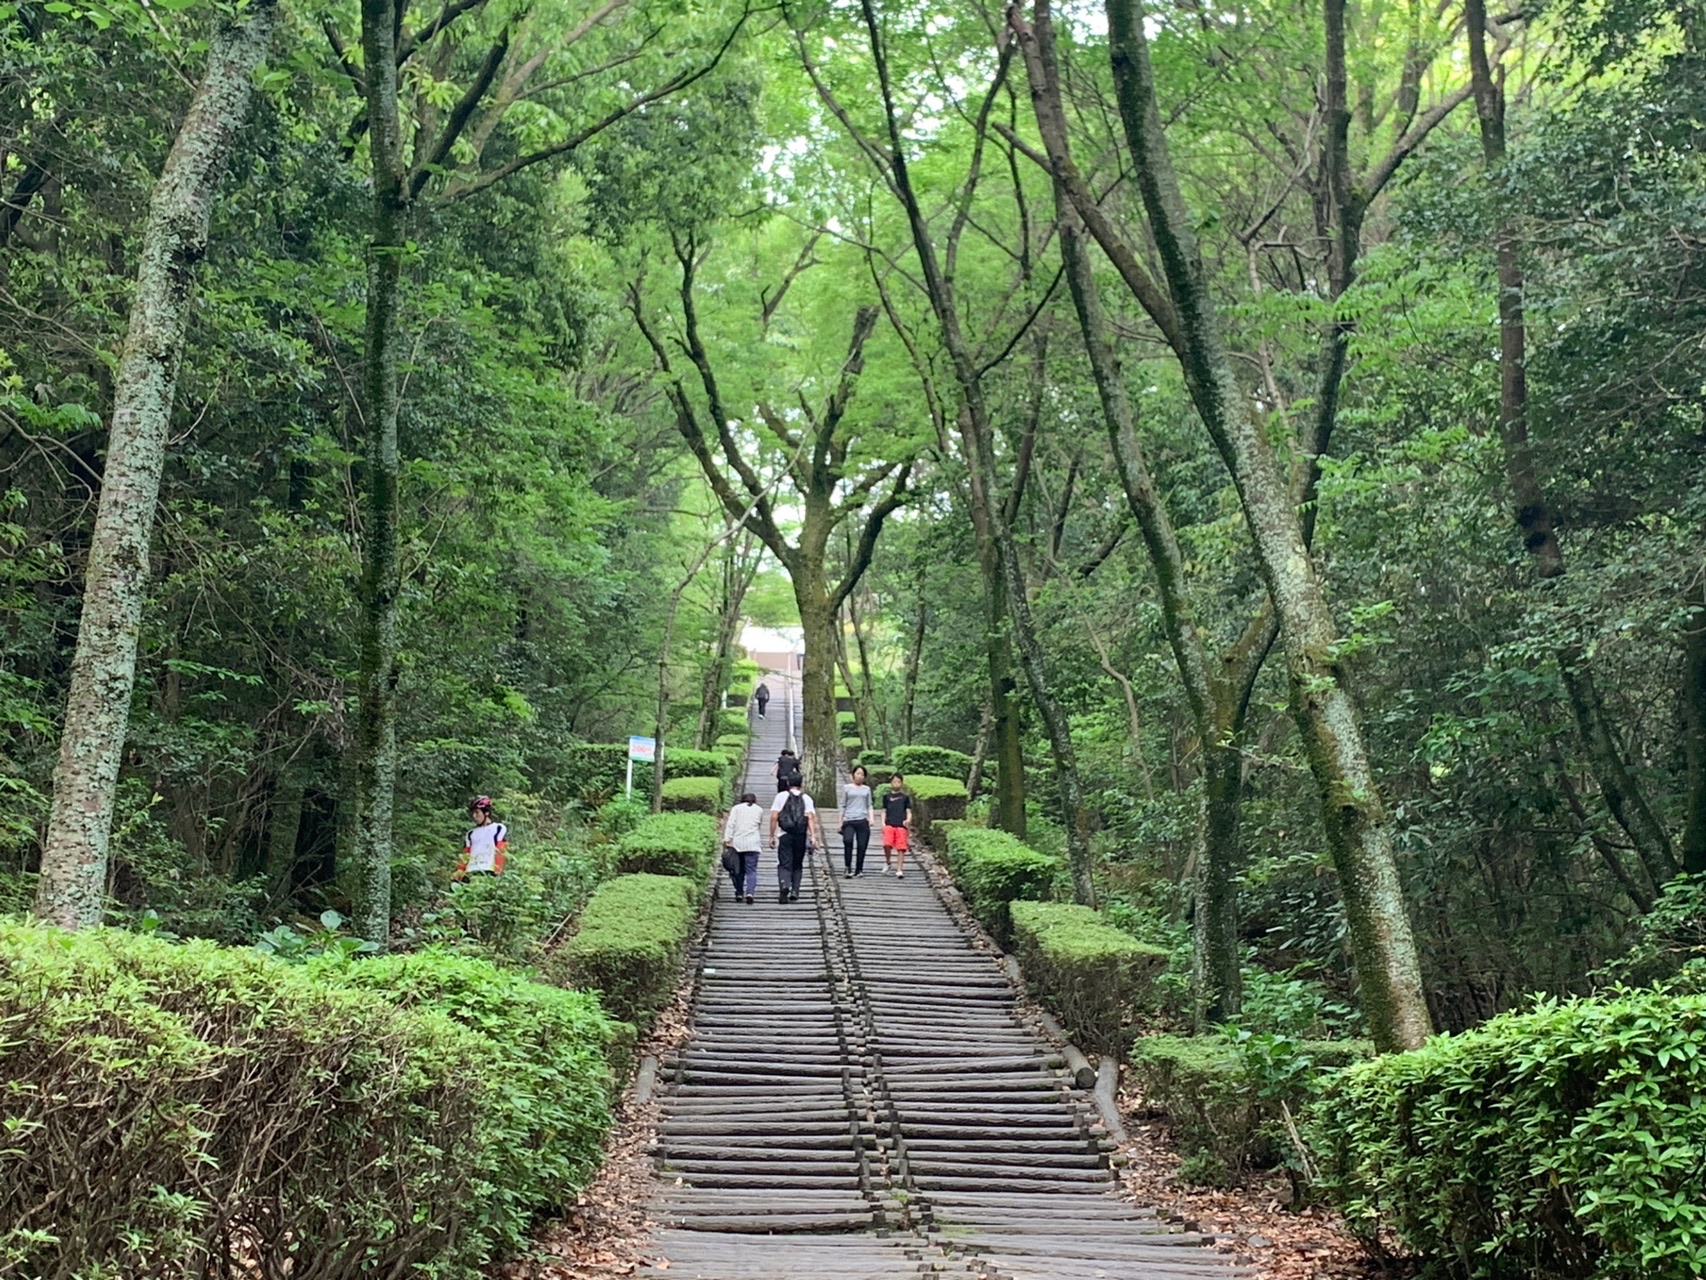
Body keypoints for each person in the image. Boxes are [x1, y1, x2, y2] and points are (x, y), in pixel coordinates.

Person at [769, 777, 819, 903]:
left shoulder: (780, 797)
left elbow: (774, 816)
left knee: (784, 863)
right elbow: (810, 818)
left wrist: (772, 835)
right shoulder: (807, 798)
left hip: (785, 834)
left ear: (788, 783)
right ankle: (795, 891)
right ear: (801, 784)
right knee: (797, 864)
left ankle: (784, 884)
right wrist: (813, 836)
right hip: (800, 835)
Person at [721, 791, 764, 904]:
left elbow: (731, 824)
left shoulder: (736, 809)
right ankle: (750, 892)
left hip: (737, 843)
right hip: (753, 843)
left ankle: (739, 892)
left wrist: (727, 839)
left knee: (738, 870)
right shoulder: (759, 809)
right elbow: (758, 825)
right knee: (751, 870)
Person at [454, 796, 507, 879]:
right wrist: (458, 874)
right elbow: (465, 855)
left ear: (486, 813)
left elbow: (501, 850)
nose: (474, 816)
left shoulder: (498, 828)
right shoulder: (470, 833)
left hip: (488, 871)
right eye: (473, 813)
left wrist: (498, 871)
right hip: (470, 872)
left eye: (477, 812)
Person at [840, 765, 873, 877]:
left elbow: (869, 805)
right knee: (848, 841)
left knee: (862, 845)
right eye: (858, 773)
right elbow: (843, 805)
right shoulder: (846, 788)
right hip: (849, 819)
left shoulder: (866, 789)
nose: (860, 776)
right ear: (853, 775)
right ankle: (848, 867)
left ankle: (859, 869)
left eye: (862, 774)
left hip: (862, 819)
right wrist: (840, 821)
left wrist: (871, 818)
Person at [881, 775, 913, 878]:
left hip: (901, 825)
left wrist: (908, 820)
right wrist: (883, 823)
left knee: (901, 848)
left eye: (898, 782)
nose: (896, 784)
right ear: (891, 783)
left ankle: (899, 869)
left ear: (902, 783)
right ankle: (888, 861)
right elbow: (884, 811)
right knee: (887, 844)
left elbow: (908, 811)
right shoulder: (886, 797)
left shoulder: (905, 797)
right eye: (894, 782)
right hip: (889, 824)